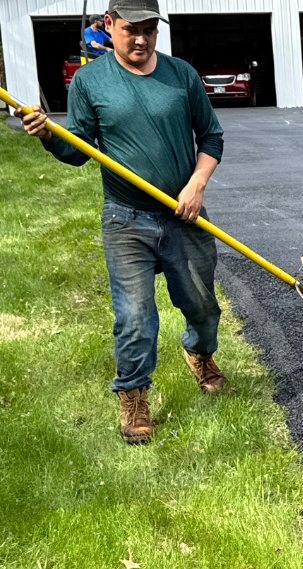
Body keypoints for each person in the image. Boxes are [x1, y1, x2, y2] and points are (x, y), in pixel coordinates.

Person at [15, 0, 226, 445]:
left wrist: (197, 185)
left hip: (183, 214)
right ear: (109, 26)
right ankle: (133, 393)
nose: (141, 39)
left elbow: (211, 136)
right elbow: (78, 151)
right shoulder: (90, 81)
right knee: (134, 315)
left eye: (150, 29)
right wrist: (50, 135)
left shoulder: (181, 75)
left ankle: (199, 352)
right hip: (125, 219)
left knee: (203, 307)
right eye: (132, 29)